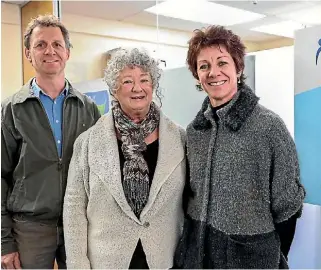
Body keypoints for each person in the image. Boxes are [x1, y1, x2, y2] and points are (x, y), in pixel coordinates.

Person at [175, 25, 306, 269]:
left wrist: (265, 255)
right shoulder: (195, 131)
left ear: (239, 67)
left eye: (222, 63)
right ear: (197, 76)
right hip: (196, 259)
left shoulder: (268, 127)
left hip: (250, 260)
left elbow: (287, 208)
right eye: (204, 66)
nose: (214, 72)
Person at [63, 47, 187, 269]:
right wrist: (77, 264)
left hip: (165, 259)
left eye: (144, 80)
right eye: (128, 81)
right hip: (107, 260)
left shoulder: (180, 138)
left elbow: (190, 203)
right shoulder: (88, 142)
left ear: (153, 86)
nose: (137, 88)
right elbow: (74, 209)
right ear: (114, 90)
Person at [1, 14, 101, 269]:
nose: (50, 51)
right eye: (40, 44)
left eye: (57, 44)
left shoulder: (88, 108)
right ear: (28, 54)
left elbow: (100, 171)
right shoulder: (11, 110)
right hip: (29, 228)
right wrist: (4, 241)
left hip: (79, 223)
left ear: (67, 52)